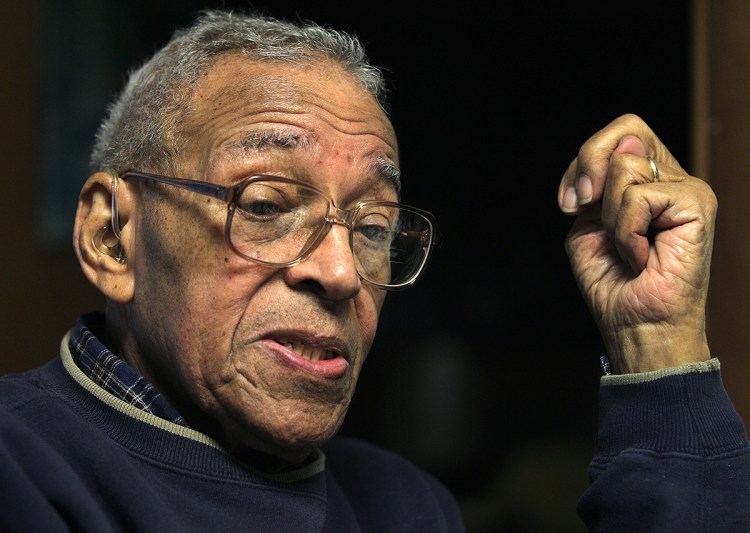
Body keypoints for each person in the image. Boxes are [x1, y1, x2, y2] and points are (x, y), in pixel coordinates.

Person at [0, 8, 746, 532]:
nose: (340, 271)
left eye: (374, 226)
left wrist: (657, 337)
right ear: (111, 235)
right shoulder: (22, 469)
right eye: (265, 205)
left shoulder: (406, 506)